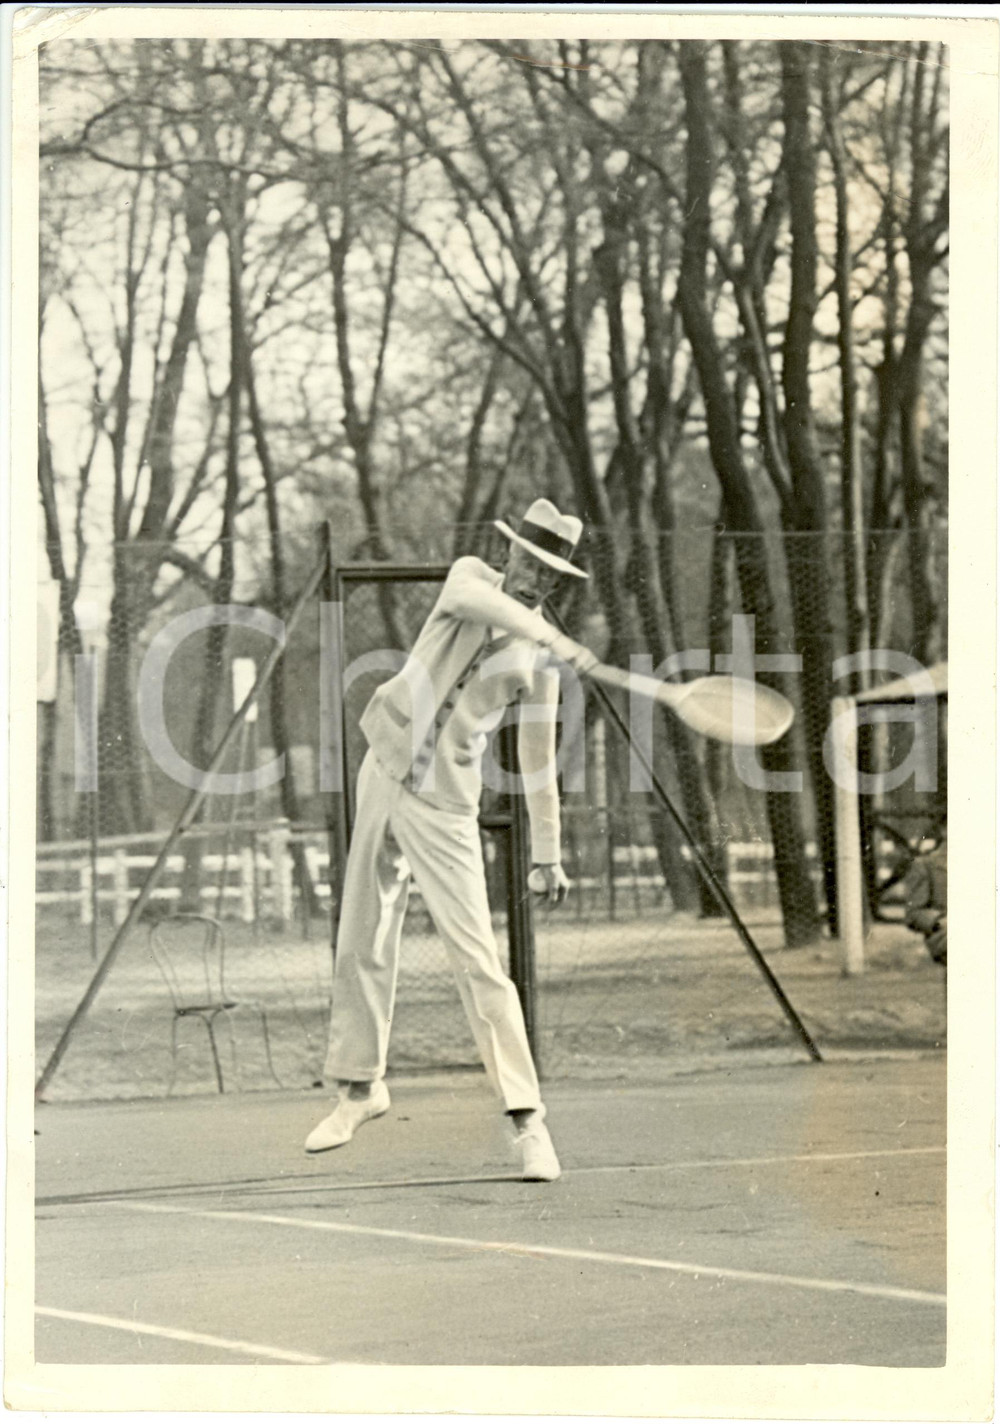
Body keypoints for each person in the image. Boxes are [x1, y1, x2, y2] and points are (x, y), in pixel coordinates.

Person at [305, 499, 596, 1181]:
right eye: (529, 560)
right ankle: (358, 1088)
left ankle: (527, 1122)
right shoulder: (469, 581)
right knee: (363, 934)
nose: (534, 577)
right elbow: (489, 604)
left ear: (557, 582)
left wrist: (547, 853)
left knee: (479, 962)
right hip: (383, 769)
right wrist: (550, 635)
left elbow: (537, 762)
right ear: (511, 554)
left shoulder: (541, 662)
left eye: (549, 573)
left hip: (445, 806)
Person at [904, 823, 947, 967]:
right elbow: (913, 913)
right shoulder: (926, 865)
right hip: (947, 932)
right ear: (944, 831)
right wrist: (938, 921)